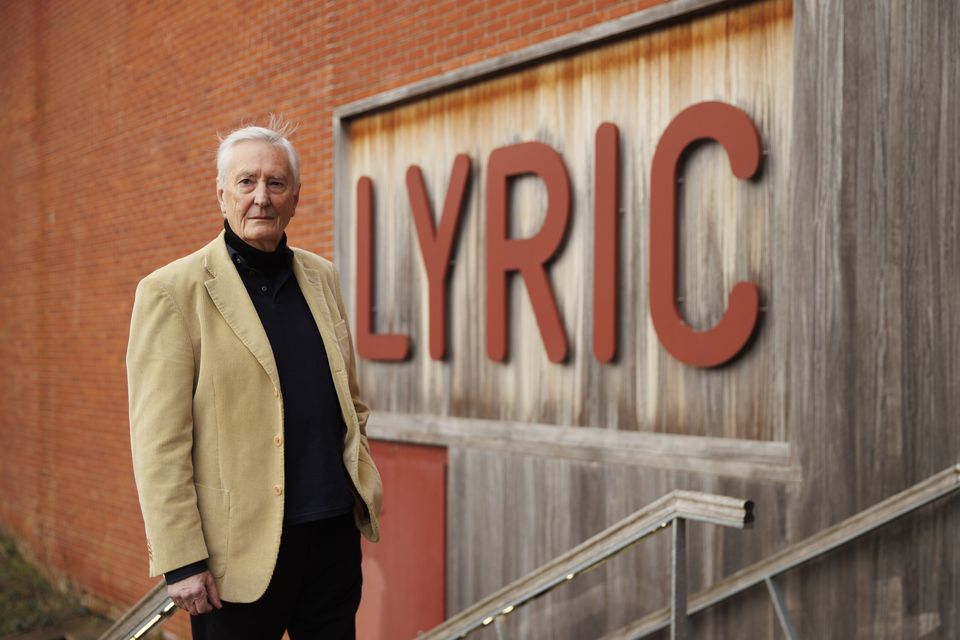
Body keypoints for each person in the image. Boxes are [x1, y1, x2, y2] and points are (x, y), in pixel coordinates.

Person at [126, 119, 382, 639]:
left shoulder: (322, 276)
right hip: (235, 559)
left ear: (295, 197)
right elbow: (159, 442)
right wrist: (181, 559)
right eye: (246, 182)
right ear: (221, 194)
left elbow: (347, 399)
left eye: (275, 183)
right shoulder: (172, 292)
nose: (261, 197)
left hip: (331, 538)